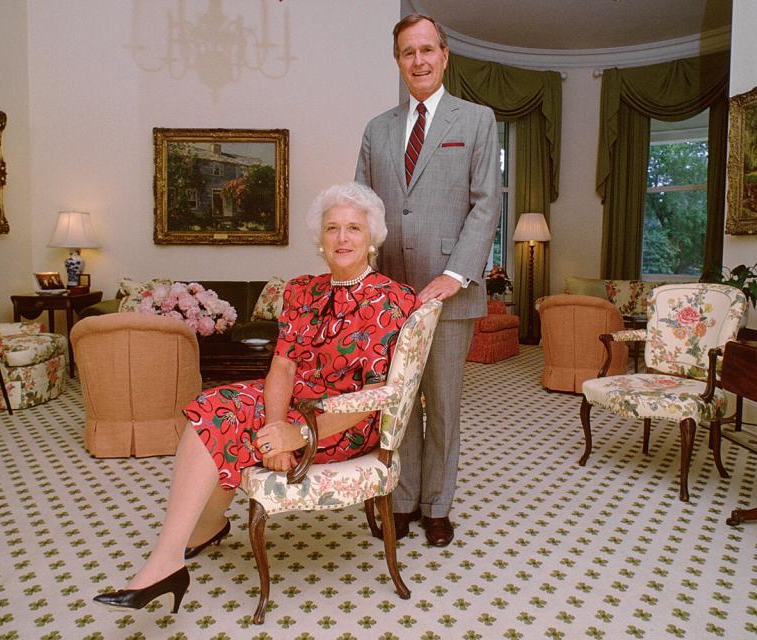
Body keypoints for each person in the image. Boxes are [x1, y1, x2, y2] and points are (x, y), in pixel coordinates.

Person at [93, 182, 420, 613]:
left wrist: (298, 435)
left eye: (354, 228)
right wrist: (273, 425)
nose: (342, 238)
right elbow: (283, 366)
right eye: (332, 228)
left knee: (227, 425)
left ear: (372, 236)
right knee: (211, 409)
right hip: (295, 404)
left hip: (345, 422)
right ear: (319, 239)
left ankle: (198, 535)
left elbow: (375, 397)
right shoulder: (302, 290)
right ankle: (171, 558)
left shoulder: (393, 299)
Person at [355, 14, 500, 547]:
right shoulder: (377, 128)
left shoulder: (477, 120)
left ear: (444, 54)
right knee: (398, 400)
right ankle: (403, 499)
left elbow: (486, 206)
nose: (418, 60)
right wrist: (364, 278)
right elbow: (365, 208)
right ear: (398, 61)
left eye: (426, 50)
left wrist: (454, 274)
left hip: (451, 295)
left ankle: (439, 506)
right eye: (407, 53)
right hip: (389, 293)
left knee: (441, 403)